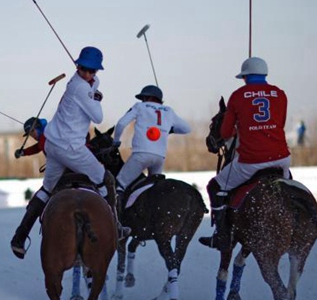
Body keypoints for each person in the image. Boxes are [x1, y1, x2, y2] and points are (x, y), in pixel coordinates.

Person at [10, 46, 115, 259]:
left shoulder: (76, 83)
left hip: (52, 144)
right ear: (78, 66)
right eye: (84, 69)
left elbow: (93, 84)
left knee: (47, 189)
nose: (88, 74)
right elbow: (98, 118)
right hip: (71, 149)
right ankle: (116, 227)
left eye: (92, 71)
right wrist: (96, 96)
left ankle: (19, 237)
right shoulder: (81, 89)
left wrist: (93, 86)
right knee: (106, 180)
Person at [199, 57, 291, 251]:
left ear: (245, 77)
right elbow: (280, 124)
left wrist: (240, 128)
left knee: (215, 186)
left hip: (251, 161)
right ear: (264, 74)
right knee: (288, 187)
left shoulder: (237, 96)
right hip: (282, 159)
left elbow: (224, 133)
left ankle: (221, 236)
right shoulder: (280, 94)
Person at [113, 85, 191, 204]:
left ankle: (117, 215)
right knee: (153, 190)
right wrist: (169, 130)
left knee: (119, 184)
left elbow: (120, 124)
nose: (142, 101)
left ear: (148, 97)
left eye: (143, 98)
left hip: (141, 155)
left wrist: (116, 141)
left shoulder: (139, 106)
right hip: (159, 158)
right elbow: (186, 128)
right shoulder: (169, 111)